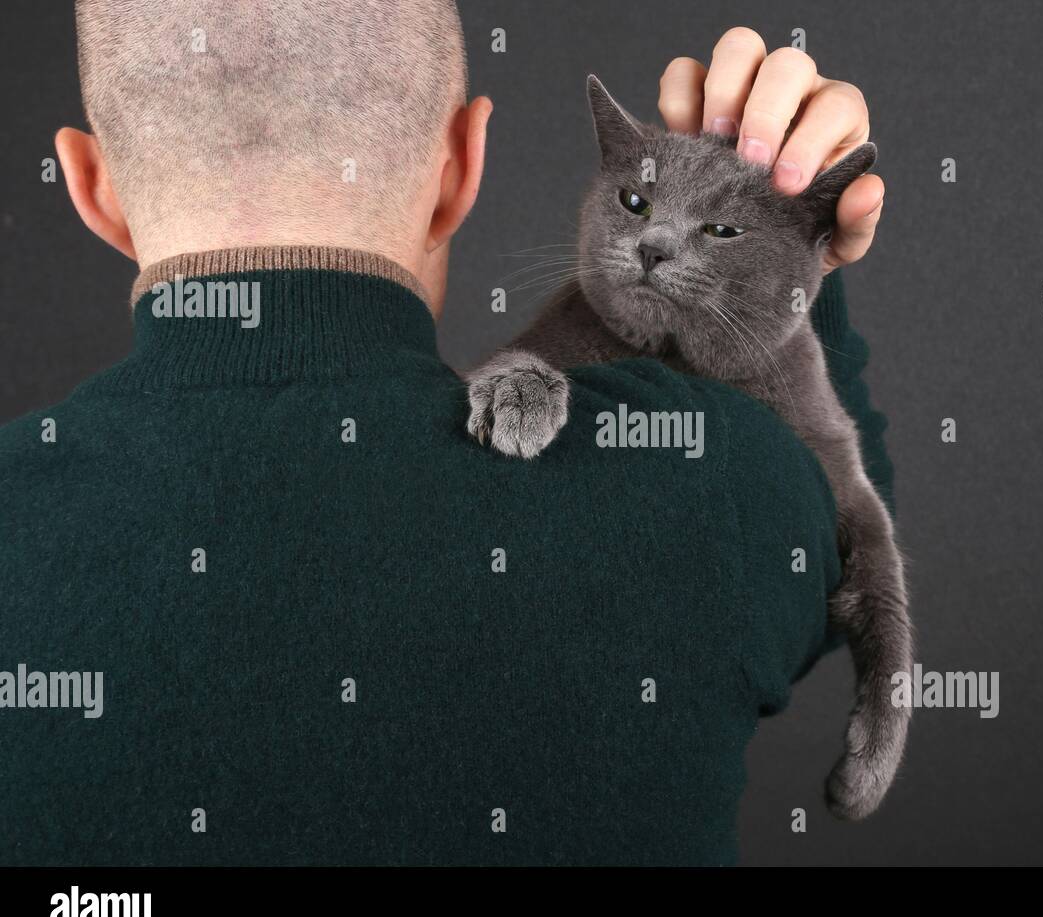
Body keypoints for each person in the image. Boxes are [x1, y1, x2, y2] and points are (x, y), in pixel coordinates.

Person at [0, 2, 893, 865]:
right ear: (464, 165)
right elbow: (843, 526)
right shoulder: (718, 480)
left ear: (90, 186)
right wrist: (796, 241)